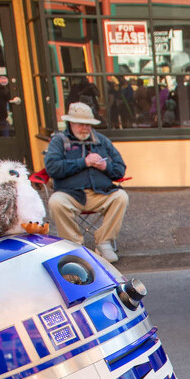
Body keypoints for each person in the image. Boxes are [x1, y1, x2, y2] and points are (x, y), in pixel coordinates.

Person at [44, 101, 129, 263]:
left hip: (101, 193)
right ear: (70, 123)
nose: (85, 128)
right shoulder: (59, 141)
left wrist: (105, 166)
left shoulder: (101, 141)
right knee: (56, 202)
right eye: (80, 124)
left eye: (88, 125)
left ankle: (104, 242)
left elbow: (120, 168)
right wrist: (84, 162)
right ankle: (75, 246)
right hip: (70, 194)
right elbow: (52, 168)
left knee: (121, 197)